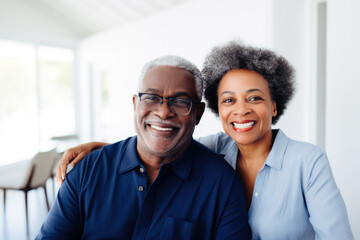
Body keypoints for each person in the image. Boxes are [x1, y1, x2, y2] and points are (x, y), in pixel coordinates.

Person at [57, 41, 354, 239]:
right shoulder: (218, 148)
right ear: (216, 109)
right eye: (229, 100)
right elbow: (162, 145)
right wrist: (102, 152)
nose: (241, 109)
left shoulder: (308, 162)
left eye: (255, 98)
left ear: (274, 105)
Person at [37, 55, 249, 239]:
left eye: (181, 101)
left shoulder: (222, 184)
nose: (164, 112)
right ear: (135, 104)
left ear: (199, 113)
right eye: (151, 98)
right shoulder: (87, 171)